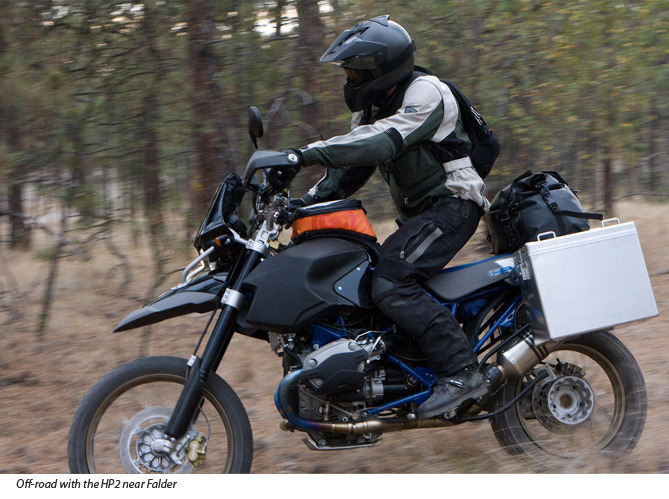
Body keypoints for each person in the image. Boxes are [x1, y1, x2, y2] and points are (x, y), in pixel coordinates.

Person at [275, 15, 491, 419]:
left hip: (454, 206)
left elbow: (379, 142)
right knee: (363, 282)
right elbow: (348, 173)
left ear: (385, 66)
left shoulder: (426, 92)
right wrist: (298, 204)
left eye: (357, 70)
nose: (351, 78)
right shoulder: (372, 107)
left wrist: (304, 152)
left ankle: (462, 373)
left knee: (390, 282)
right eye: (349, 71)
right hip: (421, 216)